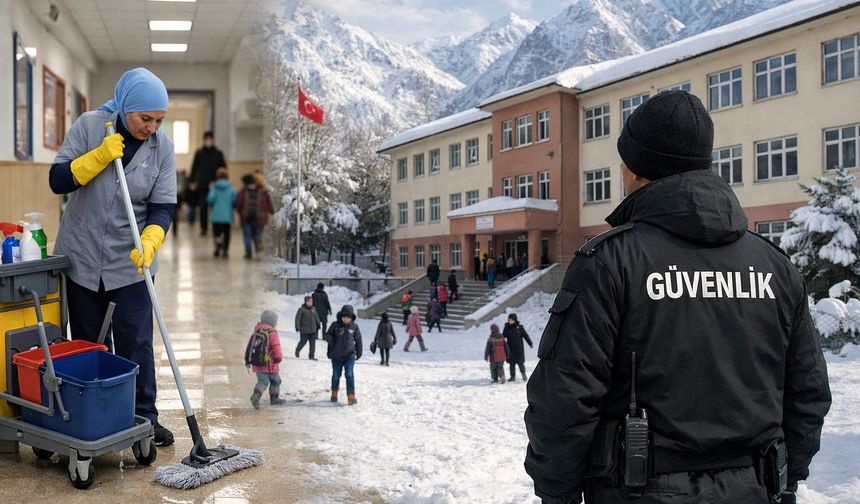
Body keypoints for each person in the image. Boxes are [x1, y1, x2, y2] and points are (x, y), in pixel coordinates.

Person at [524, 90, 831, 504]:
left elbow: (565, 398)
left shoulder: (610, 261)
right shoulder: (774, 266)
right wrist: (786, 476)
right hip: (755, 487)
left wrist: (557, 492)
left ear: (633, 169)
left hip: (640, 491)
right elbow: (807, 389)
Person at [48, 67, 176, 446]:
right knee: (88, 342)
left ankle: (145, 418)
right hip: (82, 253)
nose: (152, 127)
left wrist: (153, 238)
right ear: (125, 107)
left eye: (159, 120)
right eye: (145, 118)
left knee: (136, 340)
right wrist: (98, 157)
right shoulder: (90, 126)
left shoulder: (162, 147)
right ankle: (96, 417)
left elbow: (163, 206)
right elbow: (57, 180)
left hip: (132, 258)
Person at [189, 131, 227, 236]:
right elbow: (194, 168)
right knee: (203, 208)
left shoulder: (218, 153)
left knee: (218, 207)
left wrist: (223, 181)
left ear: (213, 141)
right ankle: (204, 228)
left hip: (216, 185)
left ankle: (218, 229)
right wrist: (192, 181)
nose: (208, 142)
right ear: (204, 140)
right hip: (203, 185)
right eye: (207, 140)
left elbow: (224, 168)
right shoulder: (199, 153)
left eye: (210, 140)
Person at [324, 305, 362, 405]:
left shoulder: (354, 327)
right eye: (344, 317)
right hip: (336, 356)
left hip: (349, 356)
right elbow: (327, 335)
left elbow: (358, 340)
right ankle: (334, 393)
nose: (346, 319)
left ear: (351, 317)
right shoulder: (335, 325)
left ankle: (351, 396)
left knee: (349, 374)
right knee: (336, 375)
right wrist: (331, 342)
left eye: (348, 317)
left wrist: (359, 351)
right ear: (341, 316)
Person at [247, 310, 285, 408]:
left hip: (258, 364)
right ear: (272, 322)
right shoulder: (272, 333)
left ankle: (256, 396)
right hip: (270, 364)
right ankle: (274, 399)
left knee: (263, 381)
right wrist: (278, 357)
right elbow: (276, 346)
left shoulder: (257, 330)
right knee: (276, 381)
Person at [235, 173, 274, 259]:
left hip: (246, 218)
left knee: (247, 236)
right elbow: (268, 203)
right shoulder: (262, 190)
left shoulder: (243, 191)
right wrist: (271, 211)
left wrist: (239, 211)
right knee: (257, 235)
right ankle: (258, 248)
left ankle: (248, 253)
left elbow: (238, 204)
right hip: (260, 218)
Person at [206, 168, 237, 258]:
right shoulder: (231, 188)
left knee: (217, 233)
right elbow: (234, 201)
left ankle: (217, 247)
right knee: (227, 234)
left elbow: (209, 199)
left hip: (216, 216)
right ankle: (225, 251)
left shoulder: (214, 188)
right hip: (227, 215)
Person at [503, 313, 532, 382]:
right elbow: (503, 337)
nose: (509, 321)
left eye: (511, 319)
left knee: (521, 364)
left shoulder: (519, 327)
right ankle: (512, 377)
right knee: (511, 364)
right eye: (508, 319)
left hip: (519, 350)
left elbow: (525, 336)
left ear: (514, 320)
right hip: (511, 350)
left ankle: (523, 375)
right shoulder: (506, 327)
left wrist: (530, 343)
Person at [294, 295, 320, 360]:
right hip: (304, 330)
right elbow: (298, 318)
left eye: (311, 301)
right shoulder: (301, 310)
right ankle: (298, 349)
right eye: (309, 301)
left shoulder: (313, 309)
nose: (310, 303)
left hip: (313, 330)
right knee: (303, 342)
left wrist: (318, 324)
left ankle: (311, 356)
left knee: (312, 344)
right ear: (306, 302)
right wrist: (297, 326)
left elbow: (316, 317)